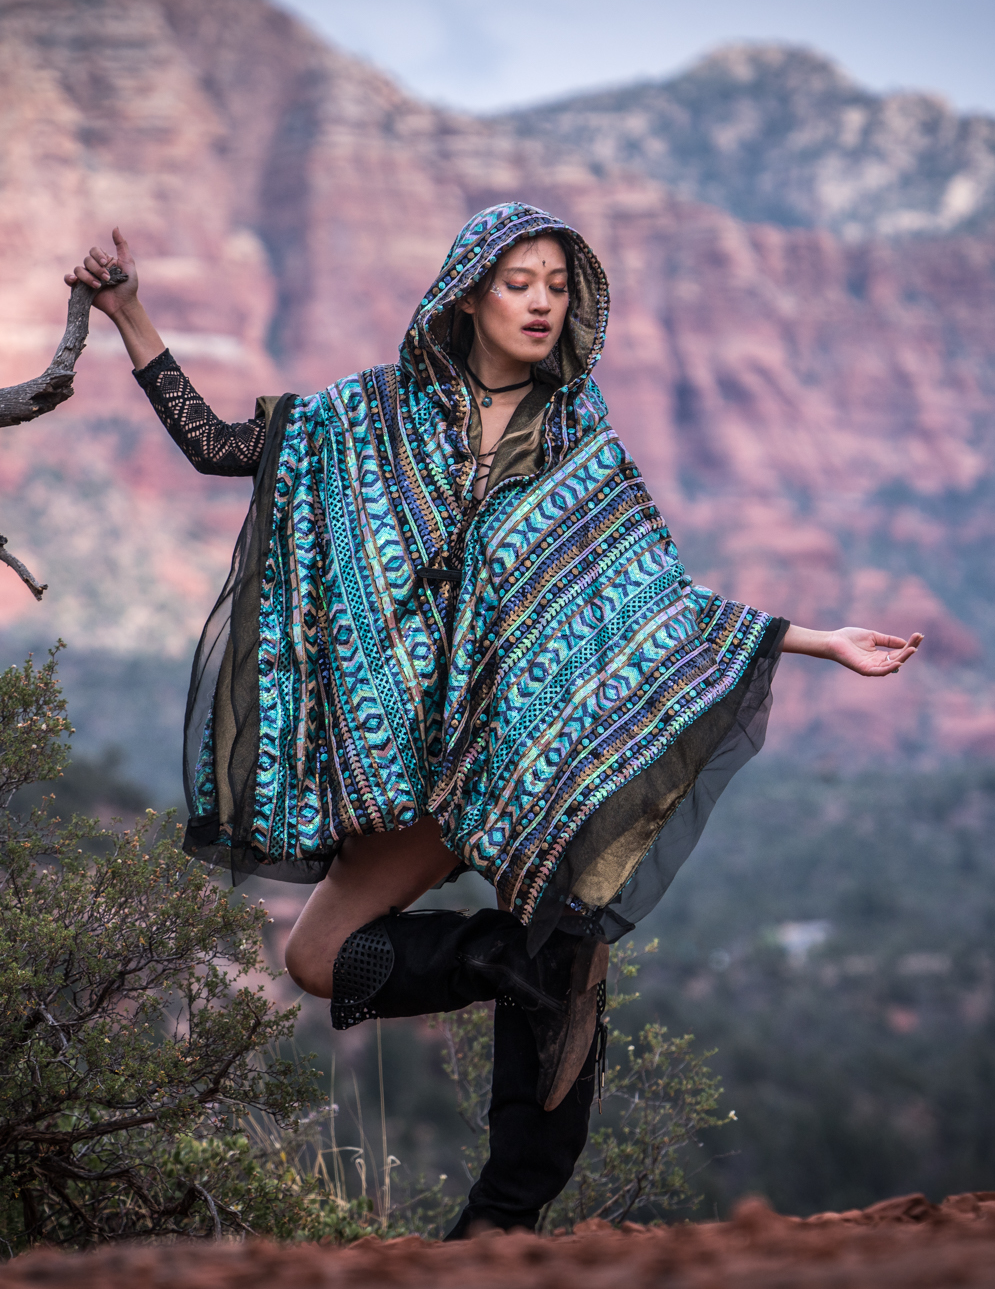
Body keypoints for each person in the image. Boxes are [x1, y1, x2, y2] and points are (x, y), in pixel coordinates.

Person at [68, 204, 920, 1236]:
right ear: (468, 294)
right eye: (519, 283)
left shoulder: (577, 443)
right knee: (317, 958)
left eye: (558, 287)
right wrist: (130, 313)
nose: (540, 303)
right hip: (404, 765)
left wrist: (814, 638)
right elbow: (219, 447)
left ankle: (502, 1222)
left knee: (556, 938)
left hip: (524, 758)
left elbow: (656, 599)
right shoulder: (369, 416)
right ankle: (517, 961)